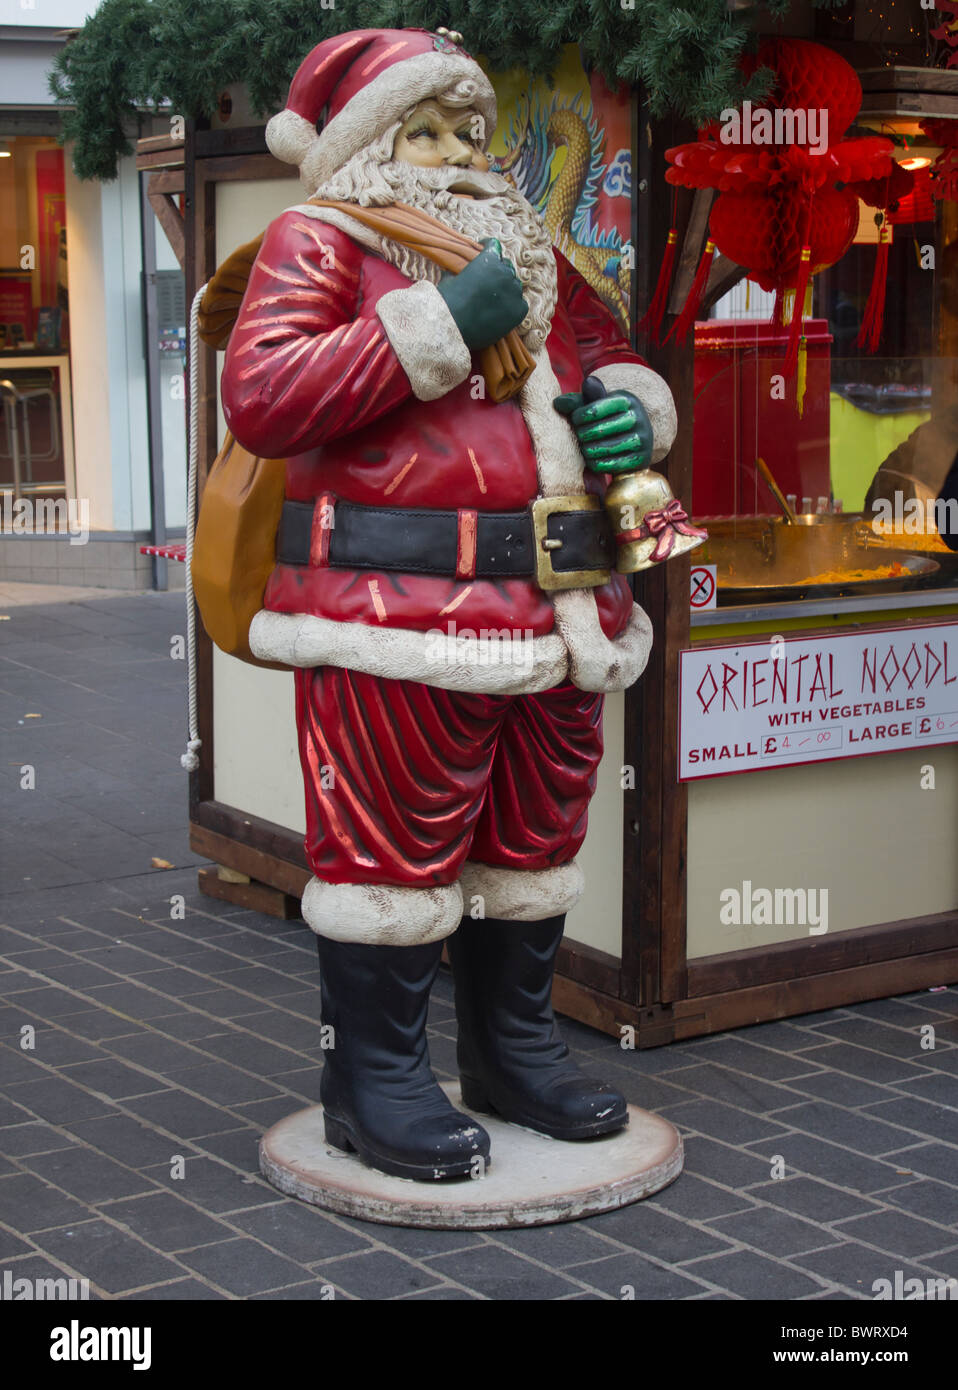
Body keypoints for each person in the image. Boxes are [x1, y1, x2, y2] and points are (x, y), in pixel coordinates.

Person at [220, 27, 678, 1182]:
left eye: (466, 133)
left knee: (531, 839)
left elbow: (606, 359)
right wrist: (437, 325)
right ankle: (371, 1080)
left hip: (560, 603)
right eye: (418, 130)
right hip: (395, 609)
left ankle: (511, 1049)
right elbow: (267, 395)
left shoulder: (538, 254)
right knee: (388, 853)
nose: (452, 155)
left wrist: (632, 410)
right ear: (362, 146)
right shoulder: (316, 239)